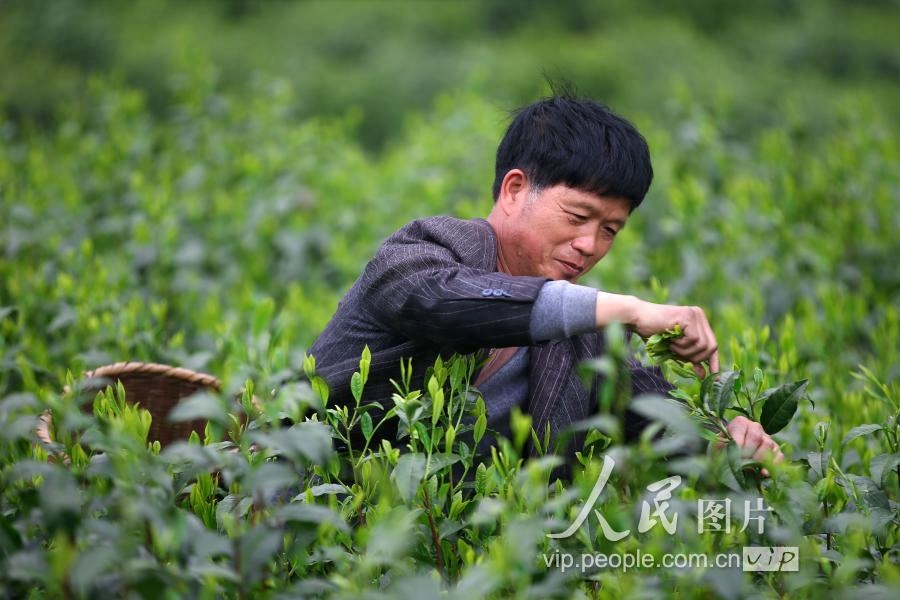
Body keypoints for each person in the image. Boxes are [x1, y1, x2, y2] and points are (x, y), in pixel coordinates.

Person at [308, 94, 783, 472]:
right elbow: (440, 301)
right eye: (578, 216)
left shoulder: (587, 339)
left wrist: (727, 442)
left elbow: (660, 424)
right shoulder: (425, 250)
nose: (590, 244)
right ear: (515, 190)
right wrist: (631, 310)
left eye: (610, 230)